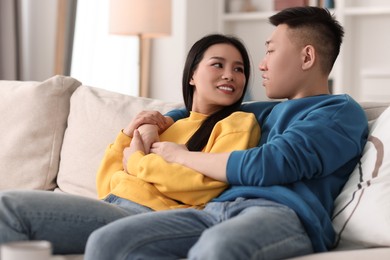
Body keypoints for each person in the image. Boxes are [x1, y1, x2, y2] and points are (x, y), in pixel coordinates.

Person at [83, 6, 369, 260]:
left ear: (307, 57)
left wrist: (181, 156)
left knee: (215, 250)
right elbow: (196, 112)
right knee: (109, 241)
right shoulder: (264, 111)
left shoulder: (339, 113)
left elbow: (267, 165)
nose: (261, 64)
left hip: (281, 214)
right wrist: (151, 123)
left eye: (270, 50)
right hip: (215, 209)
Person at [0, 34, 259, 254]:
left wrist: (138, 162)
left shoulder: (238, 123)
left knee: (7, 208)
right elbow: (107, 184)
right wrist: (127, 134)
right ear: (192, 74)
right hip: (112, 206)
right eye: (218, 65)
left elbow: (204, 186)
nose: (230, 75)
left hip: (148, 216)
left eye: (239, 69)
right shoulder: (168, 126)